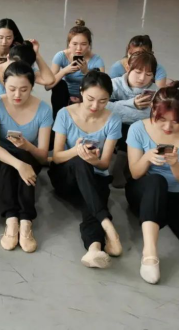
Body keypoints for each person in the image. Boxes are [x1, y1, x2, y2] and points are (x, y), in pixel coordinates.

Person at [126, 82, 179, 285]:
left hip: (178, 193)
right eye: (162, 120)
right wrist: (147, 157)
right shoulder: (137, 129)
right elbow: (135, 173)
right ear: (153, 110)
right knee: (156, 181)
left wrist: (175, 164)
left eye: (175, 122)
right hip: (145, 191)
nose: (168, 127)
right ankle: (149, 253)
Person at [49, 71, 122, 270]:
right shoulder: (65, 114)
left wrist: (95, 160)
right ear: (81, 91)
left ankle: (94, 248)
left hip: (95, 176)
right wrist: (77, 151)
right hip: (66, 177)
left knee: (92, 198)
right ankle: (108, 225)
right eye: (90, 99)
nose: (95, 106)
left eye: (103, 101)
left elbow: (105, 164)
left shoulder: (113, 120)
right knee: (80, 162)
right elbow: (57, 156)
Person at [0, 62, 52, 252]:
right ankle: (12, 220)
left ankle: (25, 221)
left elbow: (42, 156)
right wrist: (19, 165)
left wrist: (27, 146)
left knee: (21, 154)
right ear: (4, 84)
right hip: (0, 161)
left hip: (29, 158)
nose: (17, 95)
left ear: (32, 86)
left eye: (24, 89)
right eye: (11, 89)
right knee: (12, 159)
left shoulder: (44, 110)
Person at [108, 52, 159, 188]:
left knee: (138, 128)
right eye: (138, 72)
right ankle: (119, 167)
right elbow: (100, 106)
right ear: (127, 67)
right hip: (114, 126)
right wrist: (132, 104)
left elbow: (152, 116)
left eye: (148, 74)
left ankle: (129, 167)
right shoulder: (114, 84)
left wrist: (117, 107)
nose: (142, 78)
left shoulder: (155, 91)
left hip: (138, 130)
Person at [49, 19, 105, 117]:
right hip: (65, 96)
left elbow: (103, 87)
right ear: (69, 44)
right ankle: (58, 117)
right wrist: (65, 71)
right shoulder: (61, 56)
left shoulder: (97, 60)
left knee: (96, 75)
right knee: (59, 85)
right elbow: (48, 85)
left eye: (83, 44)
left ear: (89, 45)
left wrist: (86, 72)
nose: (79, 48)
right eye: (74, 44)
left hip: (87, 97)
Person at [0, 39, 55, 105]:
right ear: (8, 57)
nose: (17, 70)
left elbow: (49, 80)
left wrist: (37, 54)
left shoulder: (25, 69)